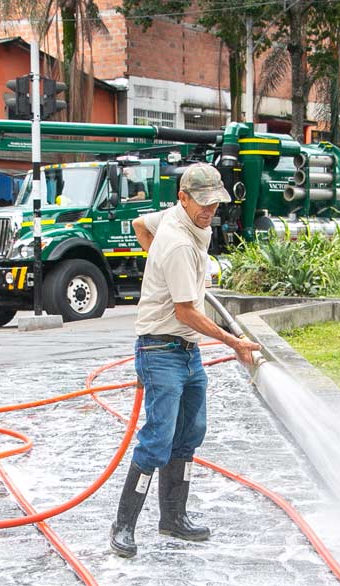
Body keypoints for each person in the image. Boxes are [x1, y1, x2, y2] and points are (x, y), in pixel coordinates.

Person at [111, 163, 262, 558]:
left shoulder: (179, 220)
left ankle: (172, 519)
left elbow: (141, 225)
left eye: (215, 202)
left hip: (186, 351)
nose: (210, 209)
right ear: (183, 197)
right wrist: (234, 342)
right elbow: (186, 313)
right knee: (158, 439)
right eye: (203, 202)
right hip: (161, 349)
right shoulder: (177, 242)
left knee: (190, 433)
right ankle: (123, 525)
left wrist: (155, 264)